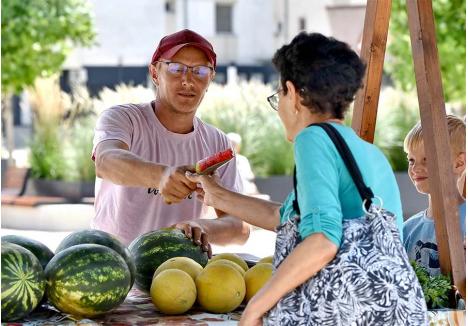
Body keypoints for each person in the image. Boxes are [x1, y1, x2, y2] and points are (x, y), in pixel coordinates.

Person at [187, 32, 425, 325]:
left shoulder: (313, 139)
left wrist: (256, 307)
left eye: (279, 97)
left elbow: (323, 238)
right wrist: (217, 194)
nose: (280, 110)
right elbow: (286, 217)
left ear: (293, 93)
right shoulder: (368, 153)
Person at [92, 29, 250, 249]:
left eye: (200, 71)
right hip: (115, 269)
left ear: (211, 78)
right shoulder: (123, 118)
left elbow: (239, 227)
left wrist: (201, 227)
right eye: (176, 69)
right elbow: (106, 161)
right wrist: (161, 176)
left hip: (182, 273)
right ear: (155, 73)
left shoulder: (217, 143)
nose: (188, 80)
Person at [403, 115, 466, 276]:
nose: (416, 168)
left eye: (427, 159)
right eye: (411, 160)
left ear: (459, 163)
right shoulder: (408, 229)